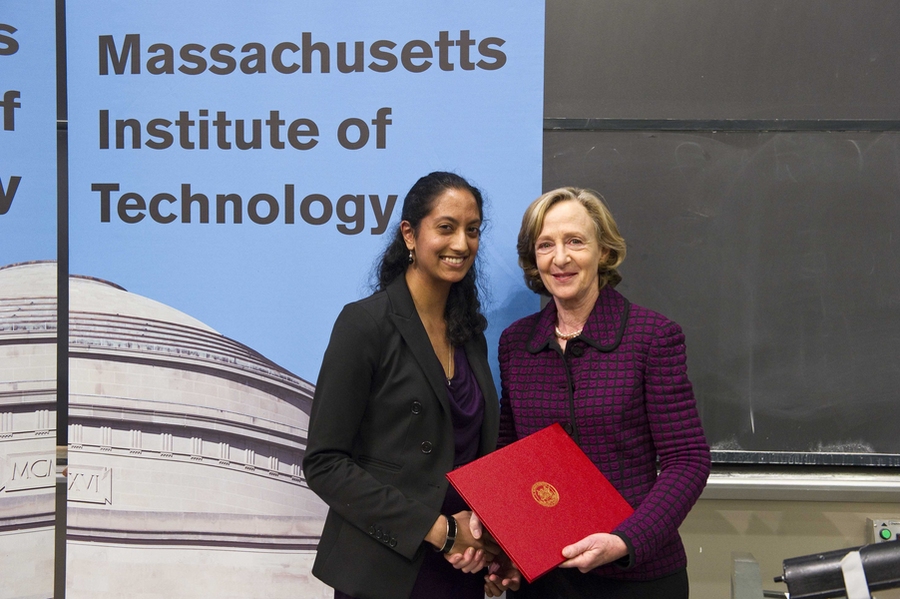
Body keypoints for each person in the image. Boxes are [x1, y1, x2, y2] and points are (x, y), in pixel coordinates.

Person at [486, 187, 711, 598]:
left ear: (604, 251)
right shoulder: (515, 343)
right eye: (546, 245)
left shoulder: (652, 337)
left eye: (575, 241)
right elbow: (510, 454)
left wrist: (625, 540)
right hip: (545, 577)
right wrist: (507, 547)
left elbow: (688, 461)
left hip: (638, 575)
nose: (560, 258)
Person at [302, 172, 500, 599]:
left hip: (461, 567)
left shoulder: (471, 333)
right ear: (410, 234)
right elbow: (324, 463)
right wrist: (439, 531)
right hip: (386, 570)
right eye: (446, 227)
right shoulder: (365, 324)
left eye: (472, 230)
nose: (461, 244)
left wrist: (485, 538)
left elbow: (478, 455)